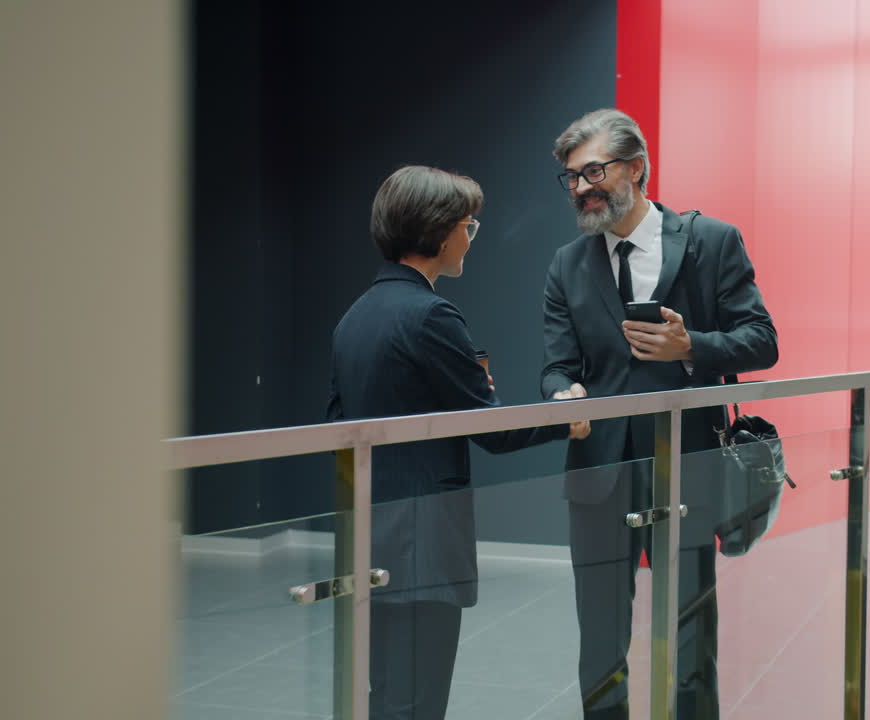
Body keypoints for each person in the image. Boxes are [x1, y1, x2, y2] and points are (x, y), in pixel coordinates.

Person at [328, 165, 590, 720]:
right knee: (418, 700)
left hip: (368, 534)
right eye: (469, 225)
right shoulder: (431, 315)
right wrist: (566, 415)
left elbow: (341, 426)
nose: (471, 236)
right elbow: (490, 431)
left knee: (385, 694)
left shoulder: (354, 318)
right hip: (422, 541)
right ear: (440, 229)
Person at [541, 109, 778, 719]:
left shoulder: (711, 240)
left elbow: (762, 340)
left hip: (688, 470)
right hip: (597, 476)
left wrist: (692, 346)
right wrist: (562, 390)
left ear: (637, 166)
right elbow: (556, 365)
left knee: (692, 634)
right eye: (570, 177)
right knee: (599, 643)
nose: (581, 188)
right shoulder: (566, 264)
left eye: (593, 170)